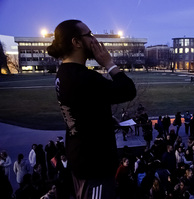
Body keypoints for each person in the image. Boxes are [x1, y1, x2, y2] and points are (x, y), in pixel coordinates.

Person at [47, 19, 136, 199]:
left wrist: (103, 116)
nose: (94, 40)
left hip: (80, 157)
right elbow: (128, 90)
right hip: (95, 167)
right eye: (89, 35)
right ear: (76, 42)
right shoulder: (85, 78)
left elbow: (82, 108)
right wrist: (109, 63)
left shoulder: (63, 73)